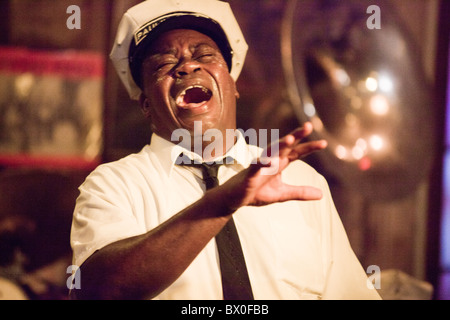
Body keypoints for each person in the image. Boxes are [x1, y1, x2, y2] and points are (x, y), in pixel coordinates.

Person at [70, 0, 381, 300]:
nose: (187, 65)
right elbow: (97, 291)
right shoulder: (112, 185)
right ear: (147, 105)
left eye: (205, 56)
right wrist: (223, 202)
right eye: (164, 63)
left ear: (232, 85)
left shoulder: (301, 181)